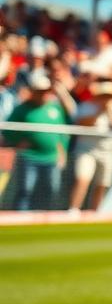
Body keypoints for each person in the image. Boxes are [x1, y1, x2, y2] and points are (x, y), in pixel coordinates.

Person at [3, 70, 75, 210]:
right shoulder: (22, 109)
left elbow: (63, 132)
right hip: (29, 157)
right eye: (40, 91)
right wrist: (19, 141)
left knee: (50, 191)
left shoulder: (56, 108)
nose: (43, 94)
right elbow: (8, 131)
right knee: (25, 191)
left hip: (51, 158)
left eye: (46, 91)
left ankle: (44, 219)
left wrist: (62, 151)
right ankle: (21, 219)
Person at [68, 81, 112, 213]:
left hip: (108, 151)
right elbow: (80, 125)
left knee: (103, 183)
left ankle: (96, 210)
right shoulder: (86, 106)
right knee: (83, 178)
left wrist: (110, 112)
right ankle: (74, 209)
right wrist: (99, 112)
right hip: (87, 149)